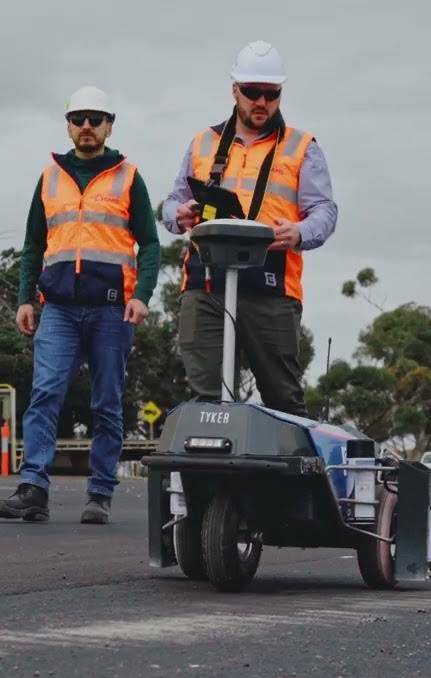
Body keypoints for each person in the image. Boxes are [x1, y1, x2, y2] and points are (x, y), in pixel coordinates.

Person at [0, 86, 160, 524]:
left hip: (111, 310)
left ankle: (100, 493)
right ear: (68, 125)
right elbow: (32, 244)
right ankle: (33, 489)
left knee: (107, 401)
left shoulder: (128, 176)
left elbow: (151, 244)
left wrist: (141, 295)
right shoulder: (50, 177)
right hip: (60, 309)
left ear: (109, 125)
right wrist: (25, 299)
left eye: (96, 118)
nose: (87, 126)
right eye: (79, 118)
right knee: (45, 393)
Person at [160, 40, 338, 417]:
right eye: (253, 93)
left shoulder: (302, 146)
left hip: (270, 284)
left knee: (283, 399)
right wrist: (182, 214)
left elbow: (324, 210)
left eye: (271, 94)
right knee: (207, 398)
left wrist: (300, 232)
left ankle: (291, 475)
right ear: (234, 90)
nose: (262, 102)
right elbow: (170, 204)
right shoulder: (203, 142)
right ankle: (210, 476)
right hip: (205, 283)